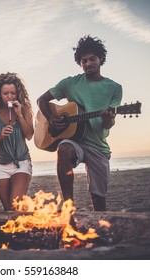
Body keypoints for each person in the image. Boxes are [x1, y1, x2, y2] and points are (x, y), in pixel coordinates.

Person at [37, 35, 122, 211]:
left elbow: (107, 125)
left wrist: (108, 119)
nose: (88, 63)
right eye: (84, 61)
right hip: (76, 141)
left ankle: (100, 227)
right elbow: (42, 100)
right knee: (64, 148)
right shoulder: (70, 83)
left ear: (101, 59)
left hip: (98, 145)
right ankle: (68, 207)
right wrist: (52, 118)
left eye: (92, 59)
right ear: (80, 63)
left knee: (99, 202)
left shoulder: (114, 88)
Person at [0, 72, 34, 211]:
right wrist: (0, 136)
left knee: (16, 207)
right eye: (5, 93)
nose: (10, 96)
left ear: (18, 93)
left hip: (22, 162)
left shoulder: (25, 109)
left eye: (13, 93)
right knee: (9, 211)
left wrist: (20, 115)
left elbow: (29, 135)